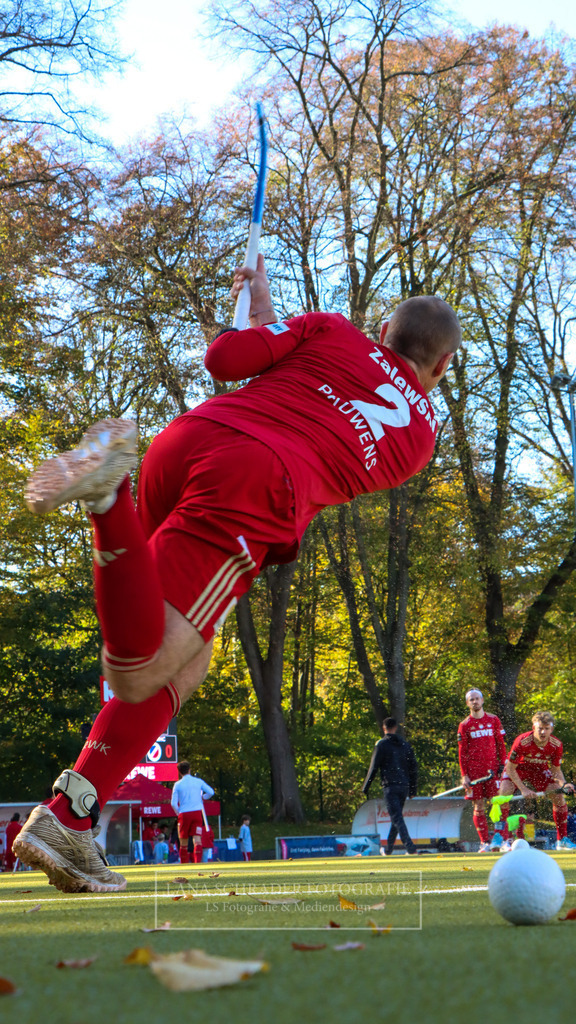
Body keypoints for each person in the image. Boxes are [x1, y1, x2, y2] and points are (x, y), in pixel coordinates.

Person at [14, 255, 461, 893]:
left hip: (190, 438)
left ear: (383, 326)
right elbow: (331, 412)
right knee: (141, 666)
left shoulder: (333, 330)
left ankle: (70, 816)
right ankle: (106, 498)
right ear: (440, 367)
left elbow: (229, 363)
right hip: (254, 483)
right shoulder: (418, 439)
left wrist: (257, 318)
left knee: (187, 660)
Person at [498, 711, 575, 852]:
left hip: (539, 771)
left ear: (551, 729)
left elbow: (556, 770)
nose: (543, 732)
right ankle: (503, 839)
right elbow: (509, 768)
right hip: (518, 769)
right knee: (503, 793)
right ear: (533, 727)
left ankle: (562, 840)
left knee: (558, 797)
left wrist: (564, 784)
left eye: (546, 728)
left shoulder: (556, 745)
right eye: (540, 728)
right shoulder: (522, 741)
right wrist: (523, 789)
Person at [457, 689, 506, 852]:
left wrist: (502, 764)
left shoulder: (493, 720)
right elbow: (462, 752)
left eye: (477, 699)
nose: (474, 702)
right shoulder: (464, 725)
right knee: (479, 806)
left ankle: (499, 838)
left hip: (493, 769)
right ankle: (485, 842)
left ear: (483, 700)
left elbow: (500, 744)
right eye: (471, 699)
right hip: (474, 773)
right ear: (467, 703)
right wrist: (464, 775)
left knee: (497, 803)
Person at [361, 717, 419, 856]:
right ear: (396, 728)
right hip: (404, 786)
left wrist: (366, 787)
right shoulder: (405, 745)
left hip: (390, 786)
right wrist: (413, 789)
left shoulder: (381, 744)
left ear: (384, 727)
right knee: (396, 817)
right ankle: (388, 849)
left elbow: (374, 767)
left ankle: (410, 848)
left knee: (397, 817)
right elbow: (413, 767)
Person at [170, 761, 214, 864]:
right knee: (197, 839)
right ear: (189, 769)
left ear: (179, 772)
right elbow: (211, 792)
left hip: (184, 813)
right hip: (197, 813)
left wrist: (178, 813)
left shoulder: (177, 784)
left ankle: (184, 863)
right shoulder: (198, 781)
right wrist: (203, 797)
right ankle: (197, 863)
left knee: (183, 841)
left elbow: (173, 803)